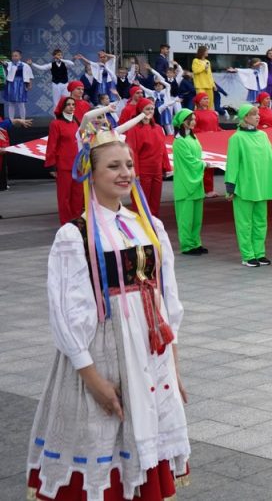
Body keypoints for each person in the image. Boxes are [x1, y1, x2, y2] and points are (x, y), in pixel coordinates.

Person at [26, 115, 189, 501]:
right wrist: (93, 379)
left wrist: (173, 364)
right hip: (104, 352)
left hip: (150, 352)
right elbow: (67, 312)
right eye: (114, 166)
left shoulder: (148, 226)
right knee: (104, 435)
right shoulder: (75, 235)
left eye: (128, 164)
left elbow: (167, 298)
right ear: (91, 172)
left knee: (146, 436)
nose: (125, 173)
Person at [225, 104, 272, 267]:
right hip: (244, 186)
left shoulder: (263, 135)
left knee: (260, 221)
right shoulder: (236, 138)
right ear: (245, 117)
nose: (258, 117)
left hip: (261, 185)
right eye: (254, 114)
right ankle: (248, 255)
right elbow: (232, 163)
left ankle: (259, 253)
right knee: (244, 223)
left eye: (258, 114)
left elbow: (271, 157)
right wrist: (230, 186)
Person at [124, 99, 171, 218]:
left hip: (157, 171)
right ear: (140, 110)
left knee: (155, 202)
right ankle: (141, 225)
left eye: (152, 109)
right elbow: (132, 152)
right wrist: (136, 173)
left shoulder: (158, 128)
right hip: (143, 172)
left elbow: (163, 149)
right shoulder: (134, 129)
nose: (150, 111)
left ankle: (153, 224)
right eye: (147, 109)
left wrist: (166, 167)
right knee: (141, 202)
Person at [172, 109, 208, 256]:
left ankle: (196, 242)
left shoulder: (193, 138)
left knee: (197, 218)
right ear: (183, 122)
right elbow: (189, 161)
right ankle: (187, 246)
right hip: (185, 183)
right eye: (190, 119)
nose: (193, 122)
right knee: (186, 218)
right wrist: (204, 164)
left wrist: (201, 163)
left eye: (194, 119)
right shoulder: (179, 141)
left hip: (196, 182)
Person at [45, 97, 85, 225]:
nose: (72, 107)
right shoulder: (56, 124)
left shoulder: (77, 122)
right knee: (64, 196)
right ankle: (66, 223)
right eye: (68, 104)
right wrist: (52, 166)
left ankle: (77, 222)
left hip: (78, 165)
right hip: (64, 166)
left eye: (73, 104)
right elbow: (52, 145)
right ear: (63, 107)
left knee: (78, 196)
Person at [4, 50, 32, 120]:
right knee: (11, 103)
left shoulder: (25, 65)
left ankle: (23, 120)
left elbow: (30, 76)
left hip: (21, 85)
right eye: (13, 56)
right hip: (11, 84)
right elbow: (3, 63)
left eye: (16, 56)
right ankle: (11, 121)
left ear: (20, 56)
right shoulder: (9, 64)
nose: (14, 57)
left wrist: (29, 84)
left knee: (21, 103)